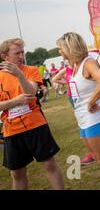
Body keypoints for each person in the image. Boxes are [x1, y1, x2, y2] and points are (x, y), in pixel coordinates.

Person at [56, 32, 100, 189]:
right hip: (83, 121)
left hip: (94, 119)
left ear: (69, 47)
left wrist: (92, 101)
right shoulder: (75, 66)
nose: (59, 52)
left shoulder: (88, 63)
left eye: (60, 48)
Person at [0, 38, 64, 190]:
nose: (21, 56)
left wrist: (19, 75)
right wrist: (15, 102)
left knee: (49, 164)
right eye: (17, 53)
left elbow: (31, 93)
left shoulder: (31, 70)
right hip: (11, 130)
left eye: (22, 52)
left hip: (36, 124)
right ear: (5, 56)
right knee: (17, 173)